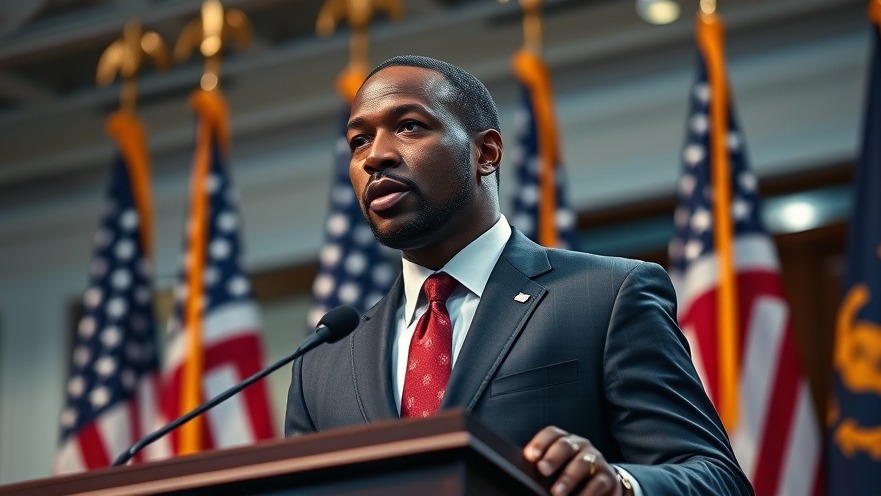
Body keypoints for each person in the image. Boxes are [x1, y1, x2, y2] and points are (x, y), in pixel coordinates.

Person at [286, 54, 753, 496]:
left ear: (486, 153)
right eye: (358, 140)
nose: (375, 156)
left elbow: (715, 478)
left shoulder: (607, 297)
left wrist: (621, 484)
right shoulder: (322, 362)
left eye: (409, 126)